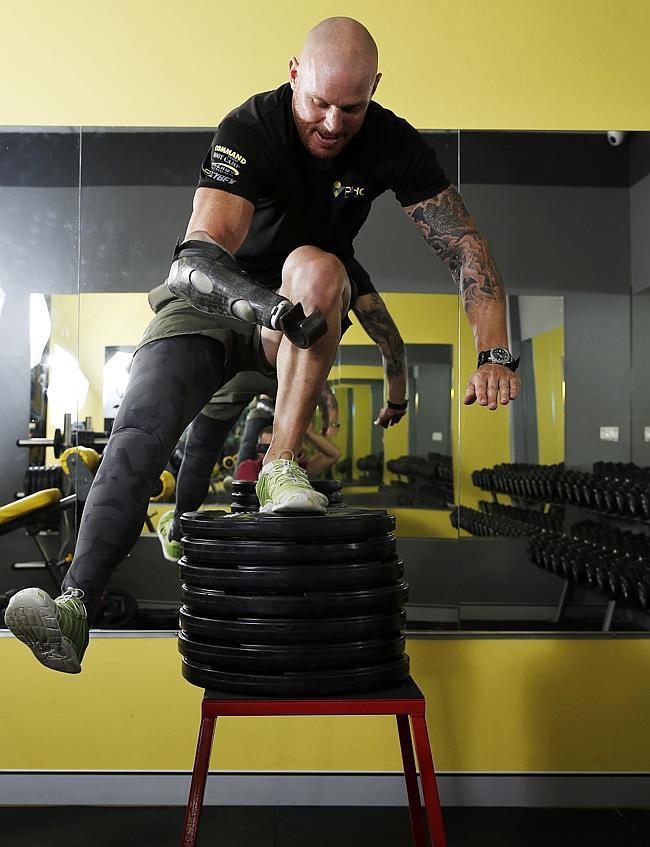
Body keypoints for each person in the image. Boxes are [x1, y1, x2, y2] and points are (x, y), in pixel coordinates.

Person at [4, 16, 519, 673]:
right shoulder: (250, 128)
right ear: (294, 73)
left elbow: (461, 245)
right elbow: (196, 261)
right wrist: (267, 307)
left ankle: (280, 464)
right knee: (143, 429)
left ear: (376, 89)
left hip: (293, 319)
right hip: (212, 304)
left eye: (352, 108)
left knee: (322, 267)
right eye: (319, 104)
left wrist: (493, 351)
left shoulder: (393, 144)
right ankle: (75, 607)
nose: (333, 124)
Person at [156, 258, 408, 559]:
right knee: (257, 443)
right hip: (290, 365)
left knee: (200, 450)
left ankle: (179, 532)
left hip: (246, 360)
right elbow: (388, 340)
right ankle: (274, 480)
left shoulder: (259, 239)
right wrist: (395, 400)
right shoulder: (337, 259)